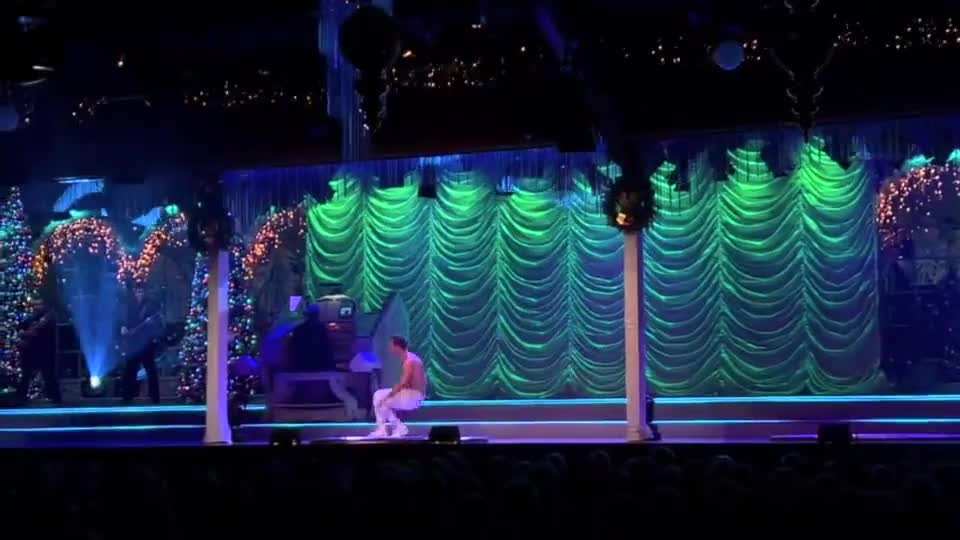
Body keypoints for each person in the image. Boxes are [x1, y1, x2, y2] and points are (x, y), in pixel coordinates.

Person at [369, 336, 426, 438]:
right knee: (378, 395)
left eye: (391, 346)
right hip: (414, 395)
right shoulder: (411, 358)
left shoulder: (409, 360)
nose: (390, 349)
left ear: (397, 347)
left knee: (381, 400)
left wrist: (389, 395)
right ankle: (388, 428)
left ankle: (393, 428)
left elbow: (403, 383)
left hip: (413, 396)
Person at [120, 285, 161, 404]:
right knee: (130, 371)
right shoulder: (130, 306)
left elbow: (156, 323)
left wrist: (150, 331)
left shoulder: (150, 306)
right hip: (133, 345)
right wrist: (123, 327)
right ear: (134, 293)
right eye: (137, 292)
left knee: (151, 371)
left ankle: (155, 398)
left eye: (141, 291)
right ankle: (127, 398)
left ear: (144, 292)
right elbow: (124, 320)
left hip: (146, 344)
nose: (139, 294)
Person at [17, 299, 61, 405]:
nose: (36, 307)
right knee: (26, 375)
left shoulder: (49, 317)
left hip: (44, 351)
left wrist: (24, 334)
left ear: (45, 305)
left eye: (39, 305)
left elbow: (35, 331)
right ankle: (21, 397)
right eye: (35, 305)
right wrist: (22, 331)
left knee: (48, 375)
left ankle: (55, 397)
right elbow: (22, 326)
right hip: (31, 351)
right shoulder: (33, 317)